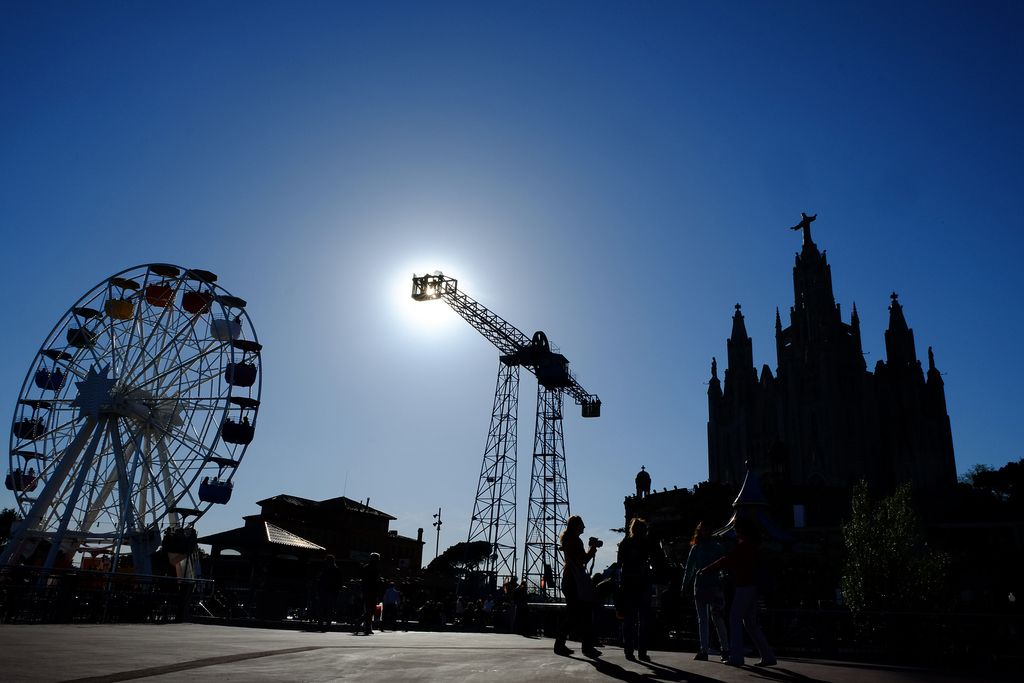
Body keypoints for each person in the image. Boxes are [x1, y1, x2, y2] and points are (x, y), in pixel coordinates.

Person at [699, 517, 776, 667]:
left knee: (735, 619)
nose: (734, 531)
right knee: (751, 623)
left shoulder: (743, 546)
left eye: (735, 528)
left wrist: (705, 570)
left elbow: (726, 560)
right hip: (753, 587)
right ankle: (767, 655)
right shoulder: (753, 546)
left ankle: (737, 656)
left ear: (741, 530)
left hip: (744, 586)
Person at [617, 517, 665, 662]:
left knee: (629, 620)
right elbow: (657, 558)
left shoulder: (625, 543)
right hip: (643, 584)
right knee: (643, 620)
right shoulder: (646, 542)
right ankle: (642, 652)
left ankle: (629, 651)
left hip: (628, 584)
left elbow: (620, 564)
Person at [554, 515, 601, 657]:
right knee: (582, 613)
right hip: (574, 581)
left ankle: (562, 644)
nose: (584, 527)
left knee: (574, 614)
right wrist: (592, 548)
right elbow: (583, 559)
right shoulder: (575, 540)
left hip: (568, 580)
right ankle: (584, 647)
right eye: (582, 525)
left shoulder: (568, 539)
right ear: (576, 526)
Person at [682, 522, 729, 661]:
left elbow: (689, 569)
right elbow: (723, 568)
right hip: (712, 585)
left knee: (705, 619)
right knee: (716, 618)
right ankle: (723, 649)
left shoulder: (697, 548)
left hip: (704, 585)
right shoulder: (717, 548)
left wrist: (684, 586)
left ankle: (706, 650)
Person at [357, 553, 383, 635]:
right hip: (372, 591)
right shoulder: (376, 569)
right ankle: (362, 622)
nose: (379, 560)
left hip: (366, 591)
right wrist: (379, 594)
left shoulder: (366, 567)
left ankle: (366, 626)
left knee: (368, 609)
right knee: (371, 610)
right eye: (378, 558)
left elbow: (363, 580)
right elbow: (377, 582)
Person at [315, 554, 340, 631]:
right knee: (329, 608)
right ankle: (327, 624)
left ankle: (320, 623)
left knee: (322, 608)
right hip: (331, 591)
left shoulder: (324, 569)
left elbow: (320, 580)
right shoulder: (335, 569)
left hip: (324, 591)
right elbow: (339, 581)